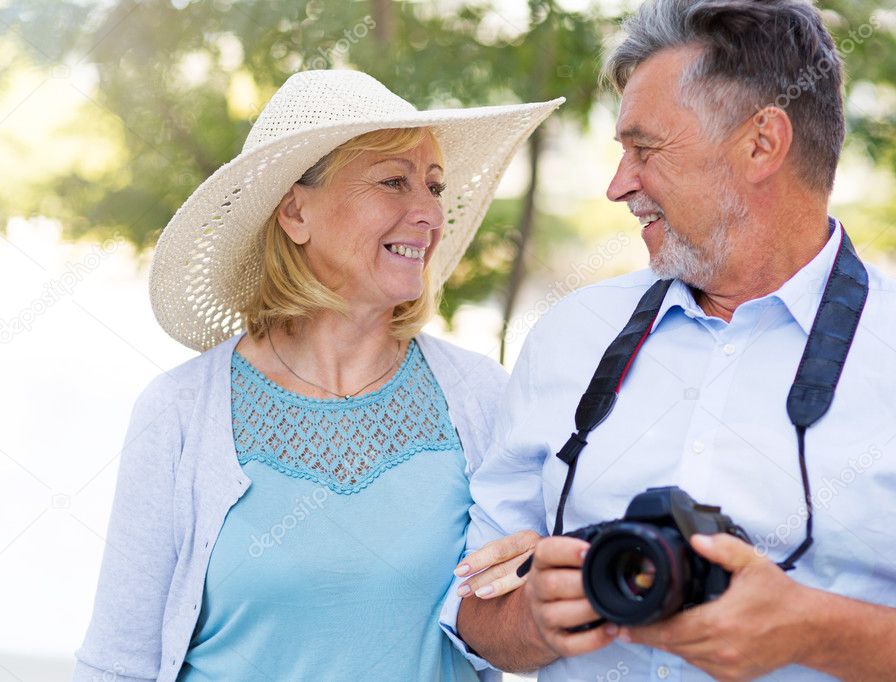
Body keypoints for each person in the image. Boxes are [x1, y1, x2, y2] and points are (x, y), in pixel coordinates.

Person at [445, 1, 896, 680]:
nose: (616, 185)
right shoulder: (569, 337)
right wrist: (531, 620)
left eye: (644, 149)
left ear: (760, 144)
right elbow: (469, 614)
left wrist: (811, 628)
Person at [73, 69, 561, 681]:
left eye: (434, 187)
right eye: (393, 182)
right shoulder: (178, 411)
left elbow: (516, 629)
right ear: (296, 213)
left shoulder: (480, 397)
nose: (429, 214)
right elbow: (118, 665)